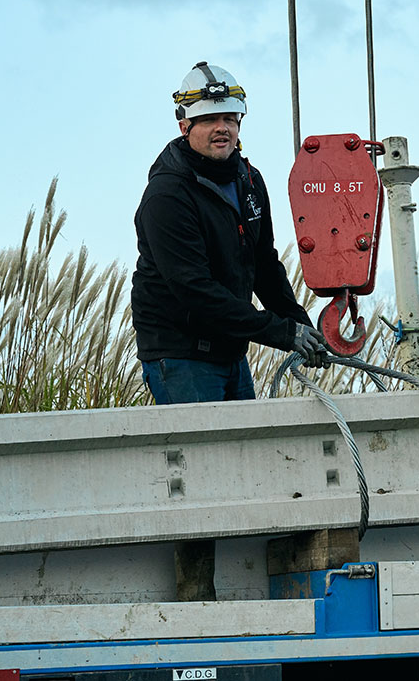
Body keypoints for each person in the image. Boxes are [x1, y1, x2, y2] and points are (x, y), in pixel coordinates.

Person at [131, 61, 325, 600]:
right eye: (211, 117)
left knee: (245, 461)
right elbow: (196, 295)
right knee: (199, 475)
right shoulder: (167, 196)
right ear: (184, 124)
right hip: (180, 352)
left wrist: (302, 327)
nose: (224, 127)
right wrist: (280, 334)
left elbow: (264, 266)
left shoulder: (248, 179)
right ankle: (197, 600)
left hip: (228, 349)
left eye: (232, 117)